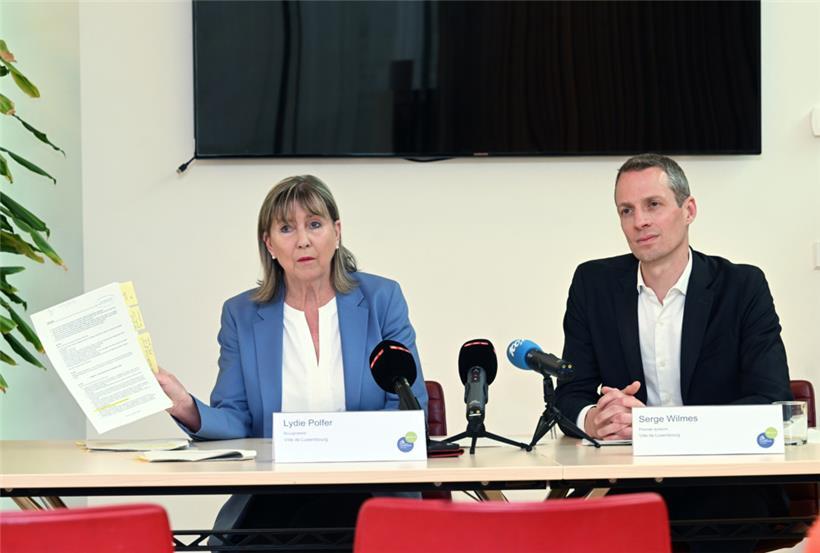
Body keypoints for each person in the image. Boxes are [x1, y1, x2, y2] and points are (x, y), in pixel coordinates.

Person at [157, 175, 428, 544]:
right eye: (286, 228)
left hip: (366, 492)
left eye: (314, 225)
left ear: (336, 232)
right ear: (269, 244)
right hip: (273, 496)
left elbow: (409, 408)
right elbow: (237, 419)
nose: (303, 240)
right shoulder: (242, 315)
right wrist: (186, 406)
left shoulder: (382, 299)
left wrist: (330, 443)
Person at [554, 153, 792, 552]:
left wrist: (660, 427)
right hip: (623, 481)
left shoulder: (742, 287)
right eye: (626, 210)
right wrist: (592, 419)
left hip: (722, 485)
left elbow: (771, 400)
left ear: (689, 210)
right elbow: (568, 394)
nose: (639, 221)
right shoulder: (593, 284)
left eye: (653, 205)